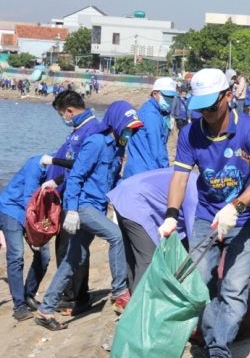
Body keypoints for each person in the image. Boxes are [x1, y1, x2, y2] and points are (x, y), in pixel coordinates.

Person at [158, 68, 250, 358]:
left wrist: (236, 207)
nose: (207, 114)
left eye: (212, 105)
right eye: (201, 107)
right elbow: (180, 177)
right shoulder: (190, 134)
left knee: (234, 289)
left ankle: (215, 355)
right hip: (205, 218)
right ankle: (213, 341)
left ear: (228, 97)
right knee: (197, 284)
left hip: (244, 219)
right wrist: (171, 214)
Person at [35, 101, 143, 330]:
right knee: (116, 237)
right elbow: (75, 176)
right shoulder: (95, 143)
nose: (129, 133)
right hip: (83, 206)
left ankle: (45, 310)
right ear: (115, 123)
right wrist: (72, 209)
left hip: (98, 206)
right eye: (127, 128)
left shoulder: (118, 147)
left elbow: (112, 179)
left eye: (132, 130)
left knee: (72, 260)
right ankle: (120, 291)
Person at [43, 90, 103, 315]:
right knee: (65, 246)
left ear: (69, 111)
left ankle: (76, 298)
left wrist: (55, 162)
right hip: (68, 194)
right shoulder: (80, 129)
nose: (64, 119)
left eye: (62, 115)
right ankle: (72, 295)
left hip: (79, 199)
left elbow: (81, 165)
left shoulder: (91, 130)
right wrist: (56, 179)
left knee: (73, 249)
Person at [107, 168, 198, 292]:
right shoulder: (194, 187)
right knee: (149, 260)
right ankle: (143, 307)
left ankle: (137, 301)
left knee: (134, 259)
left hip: (127, 193)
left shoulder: (194, 178)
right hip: (134, 200)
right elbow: (195, 235)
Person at [0, 155, 51, 321]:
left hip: (32, 214)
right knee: (16, 256)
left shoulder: (60, 172)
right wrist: (33, 231)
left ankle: (29, 294)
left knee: (44, 256)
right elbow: (29, 197)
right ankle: (19, 306)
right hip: (11, 210)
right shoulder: (37, 165)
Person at [123, 77, 176, 178]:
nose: (170, 100)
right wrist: (166, 170)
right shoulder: (151, 115)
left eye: (172, 97)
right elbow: (157, 148)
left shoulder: (156, 111)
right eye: (167, 96)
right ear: (155, 94)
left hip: (138, 167)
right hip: (145, 171)